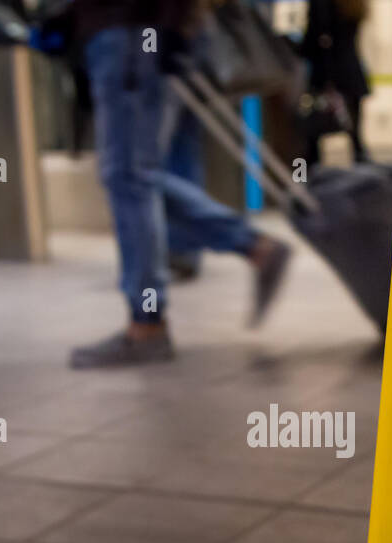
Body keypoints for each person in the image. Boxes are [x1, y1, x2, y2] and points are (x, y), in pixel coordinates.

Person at [67, 0, 292, 368]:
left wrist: (168, 22)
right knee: (137, 178)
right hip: (134, 31)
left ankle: (147, 325)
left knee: (130, 179)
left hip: (135, 30)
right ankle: (254, 246)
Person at [301, 0, 370, 164]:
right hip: (351, 74)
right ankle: (364, 183)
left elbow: (313, 40)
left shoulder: (322, 4)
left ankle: (305, 182)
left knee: (312, 140)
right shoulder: (353, 5)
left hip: (328, 77)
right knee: (355, 139)